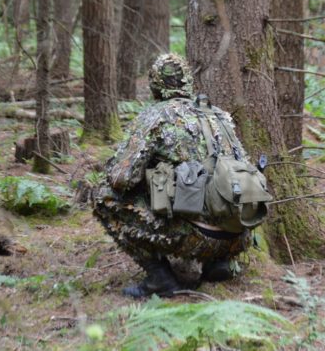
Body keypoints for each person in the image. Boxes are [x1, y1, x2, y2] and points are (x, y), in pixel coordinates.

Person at [93, 53, 253, 298]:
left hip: (192, 237)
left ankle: (160, 278)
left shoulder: (155, 116)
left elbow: (120, 179)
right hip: (239, 233)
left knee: (104, 196)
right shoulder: (218, 116)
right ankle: (218, 262)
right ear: (188, 82)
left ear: (155, 85)